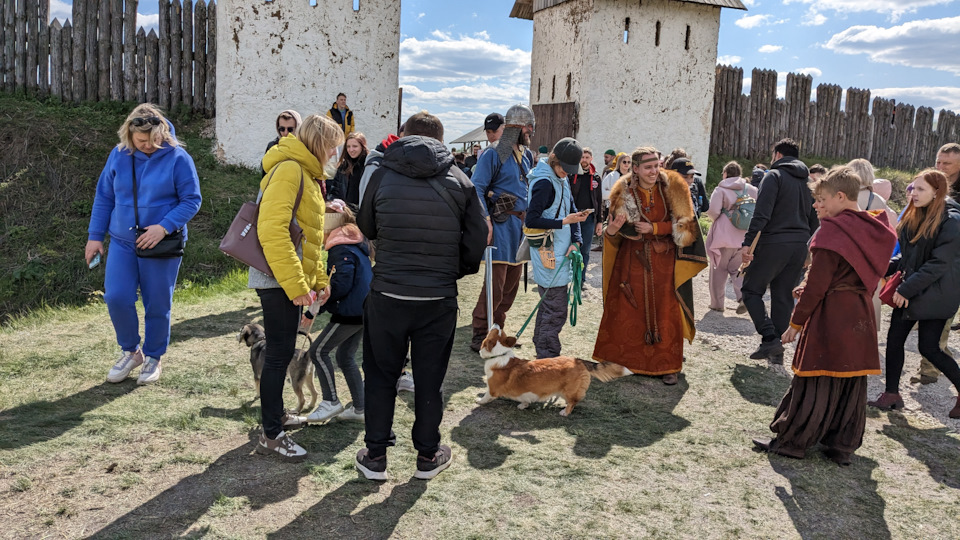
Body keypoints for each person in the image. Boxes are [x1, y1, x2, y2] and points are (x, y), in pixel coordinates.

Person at [356, 111, 486, 481]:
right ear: (441, 141)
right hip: (437, 297)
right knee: (429, 378)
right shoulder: (460, 179)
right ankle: (427, 455)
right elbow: (477, 239)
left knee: (381, 375)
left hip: (389, 292)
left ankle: (376, 455)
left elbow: (366, 225)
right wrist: (452, 270)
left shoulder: (381, 174)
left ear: (402, 136)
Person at [753, 167, 897, 465]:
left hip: (831, 313)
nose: (816, 206)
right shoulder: (876, 227)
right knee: (849, 378)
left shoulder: (833, 230)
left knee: (815, 375)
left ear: (841, 196)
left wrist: (795, 323)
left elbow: (819, 285)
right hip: (859, 312)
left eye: (821, 200)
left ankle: (792, 442)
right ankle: (840, 447)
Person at [250, 114, 344, 461]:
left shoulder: (305, 172)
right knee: (277, 356)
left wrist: (319, 280)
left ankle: (275, 418)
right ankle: (271, 434)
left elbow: (310, 237)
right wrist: (295, 285)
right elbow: (273, 230)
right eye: (332, 146)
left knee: (281, 352)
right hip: (278, 277)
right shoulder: (291, 169)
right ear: (320, 143)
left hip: (288, 277)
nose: (335, 154)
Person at [87, 103, 202, 386]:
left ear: (162, 132)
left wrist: (163, 228)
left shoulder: (178, 157)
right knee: (116, 296)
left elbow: (192, 200)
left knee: (157, 303)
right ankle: (131, 351)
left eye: (154, 141)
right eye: (142, 142)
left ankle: (153, 356)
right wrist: (94, 236)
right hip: (123, 242)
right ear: (129, 135)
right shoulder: (118, 155)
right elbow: (104, 197)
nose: (149, 146)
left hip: (162, 242)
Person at [593, 146, 706, 385]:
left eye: (656, 166)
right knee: (626, 309)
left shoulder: (674, 187)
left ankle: (668, 365)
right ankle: (620, 362)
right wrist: (611, 230)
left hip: (664, 262)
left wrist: (655, 228)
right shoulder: (622, 192)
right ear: (635, 169)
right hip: (631, 261)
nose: (654, 171)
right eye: (648, 167)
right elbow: (613, 230)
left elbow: (686, 225)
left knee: (666, 312)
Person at [868, 169, 960, 420]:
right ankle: (891, 394)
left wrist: (905, 289)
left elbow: (938, 264)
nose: (913, 193)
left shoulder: (952, 221)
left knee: (930, 348)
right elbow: (907, 258)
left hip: (937, 294)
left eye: (920, 189)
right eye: (912, 188)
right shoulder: (914, 215)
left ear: (937, 192)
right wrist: (880, 268)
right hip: (911, 289)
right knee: (895, 340)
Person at [739, 138, 819, 362]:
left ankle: (770, 338)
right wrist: (809, 251)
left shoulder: (773, 176)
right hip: (800, 245)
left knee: (751, 290)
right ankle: (777, 353)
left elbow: (761, 214)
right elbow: (815, 219)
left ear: (778, 155)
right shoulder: (809, 182)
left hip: (774, 243)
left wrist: (748, 243)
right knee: (783, 296)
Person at [468, 104, 537, 352]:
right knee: (495, 286)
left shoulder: (526, 155)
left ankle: (497, 331)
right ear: (517, 127)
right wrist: (485, 219)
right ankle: (480, 334)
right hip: (499, 224)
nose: (530, 132)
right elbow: (476, 188)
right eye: (528, 128)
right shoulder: (495, 153)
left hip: (520, 227)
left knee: (510, 286)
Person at [304, 207, 372, 424]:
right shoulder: (355, 242)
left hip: (349, 312)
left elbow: (341, 284)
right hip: (364, 310)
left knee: (317, 351)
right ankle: (361, 408)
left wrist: (321, 304)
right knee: (344, 356)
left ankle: (330, 401)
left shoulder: (340, 247)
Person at [526, 138, 589, 358]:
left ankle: (543, 351)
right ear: (554, 160)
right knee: (555, 309)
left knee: (549, 306)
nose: (568, 174)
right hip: (547, 250)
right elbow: (531, 220)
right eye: (565, 169)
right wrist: (564, 222)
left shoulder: (559, 178)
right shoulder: (544, 183)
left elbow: (572, 210)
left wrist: (576, 241)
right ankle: (548, 355)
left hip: (561, 248)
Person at [705, 161, 757, 313]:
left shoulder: (720, 189)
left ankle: (717, 304)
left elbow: (713, 211)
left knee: (719, 269)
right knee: (737, 269)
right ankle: (742, 297)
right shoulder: (752, 189)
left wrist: (720, 218)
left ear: (725, 173)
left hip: (723, 235)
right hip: (745, 236)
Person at [567, 147, 603, 278]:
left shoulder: (596, 177)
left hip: (588, 218)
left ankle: (580, 279)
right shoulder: (571, 175)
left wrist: (599, 221)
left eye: (587, 157)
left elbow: (599, 201)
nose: (584, 160)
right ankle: (569, 277)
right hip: (573, 217)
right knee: (571, 247)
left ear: (591, 159)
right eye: (582, 157)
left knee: (585, 250)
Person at [327, 132, 368, 208]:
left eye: (355, 146)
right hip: (345, 212)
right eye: (348, 146)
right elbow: (334, 191)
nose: (351, 150)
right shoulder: (343, 167)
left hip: (363, 213)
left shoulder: (368, 166)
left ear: (362, 147)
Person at [261, 109, 302, 177]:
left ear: (298, 128)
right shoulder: (272, 146)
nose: (285, 133)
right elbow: (265, 175)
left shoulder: (305, 147)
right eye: (282, 129)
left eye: (290, 129)